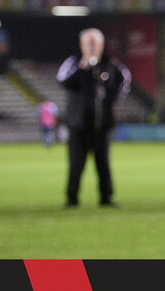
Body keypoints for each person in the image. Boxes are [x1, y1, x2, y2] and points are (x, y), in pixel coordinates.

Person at [56, 28, 131, 207]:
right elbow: (62, 80)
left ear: (101, 45)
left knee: (103, 164)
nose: (91, 47)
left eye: (95, 43)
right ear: (81, 45)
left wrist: (110, 99)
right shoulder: (73, 63)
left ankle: (106, 197)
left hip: (101, 126)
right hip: (78, 125)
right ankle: (72, 198)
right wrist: (83, 67)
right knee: (76, 165)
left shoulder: (111, 64)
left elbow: (125, 81)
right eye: (88, 43)